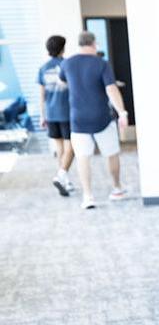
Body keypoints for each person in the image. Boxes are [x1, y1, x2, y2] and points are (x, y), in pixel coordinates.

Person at [59, 31, 128, 209]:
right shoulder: (101, 63)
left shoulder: (67, 64)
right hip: (101, 118)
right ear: (94, 44)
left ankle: (88, 196)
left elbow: (63, 83)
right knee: (111, 153)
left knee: (83, 157)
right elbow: (111, 89)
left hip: (78, 119)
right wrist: (122, 112)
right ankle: (116, 188)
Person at [37, 35, 74, 196]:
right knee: (70, 147)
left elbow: (42, 95)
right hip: (67, 112)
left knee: (60, 147)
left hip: (51, 114)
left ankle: (64, 179)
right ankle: (62, 176)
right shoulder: (67, 65)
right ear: (62, 48)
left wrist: (42, 115)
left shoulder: (43, 68)